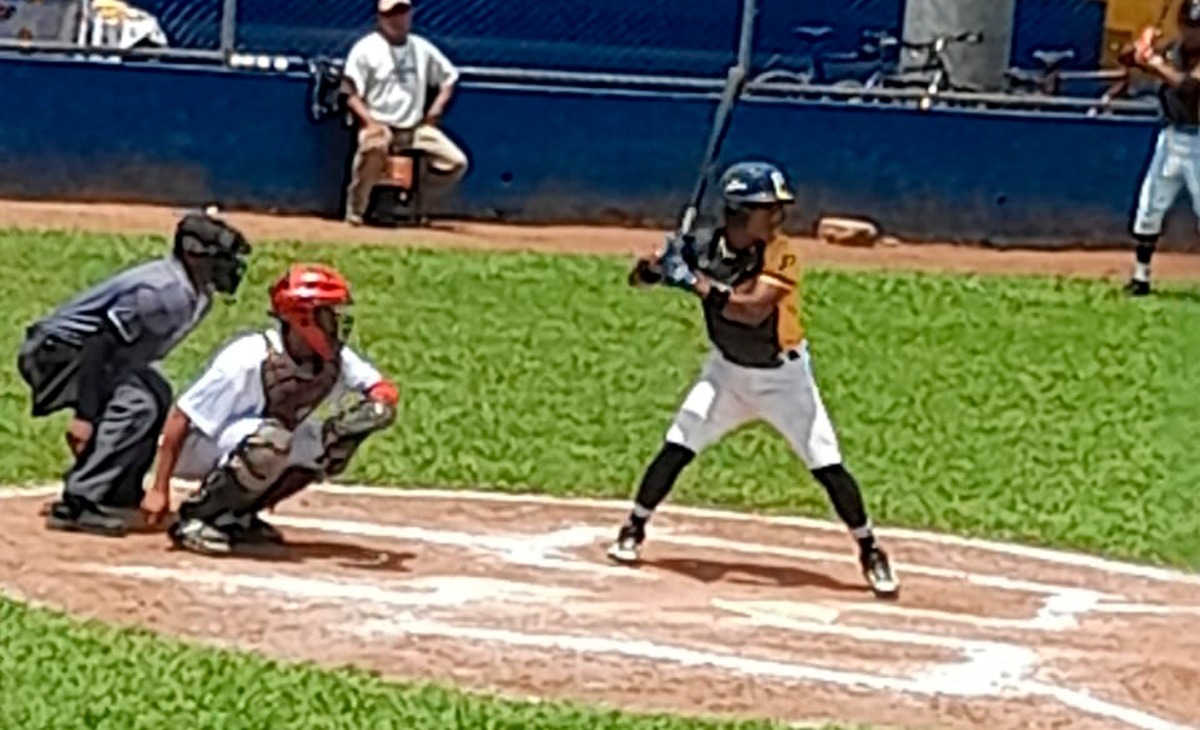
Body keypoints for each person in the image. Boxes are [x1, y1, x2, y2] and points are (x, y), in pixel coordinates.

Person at [607, 161, 900, 599]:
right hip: (726, 373)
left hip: (785, 379)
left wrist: (692, 283)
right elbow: (638, 279)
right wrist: (657, 267)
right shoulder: (702, 247)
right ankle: (634, 527)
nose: (779, 217)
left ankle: (869, 549)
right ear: (741, 212)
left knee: (827, 463)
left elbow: (752, 309)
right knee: (678, 442)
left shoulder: (781, 253)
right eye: (769, 209)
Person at [17, 212, 251, 536]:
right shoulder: (161, 292)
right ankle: (78, 501)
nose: (228, 266)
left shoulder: (195, 293)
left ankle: (118, 490)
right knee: (137, 403)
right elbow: (99, 343)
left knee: (156, 391)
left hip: (96, 356)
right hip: (58, 353)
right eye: (220, 258)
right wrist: (86, 416)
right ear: (194, 254)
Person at [147, 263, 399, 555]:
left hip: (255, 441)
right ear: (303, 318)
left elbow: (381, 387)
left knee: (325, 445)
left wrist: (378, 409)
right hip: (199, 446)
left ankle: (237, 516)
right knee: (272, 440)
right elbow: (181, 416)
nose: (336, 321)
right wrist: (159, 487)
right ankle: (197, 517)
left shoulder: (334, 356)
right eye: (327, 313)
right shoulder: (248, 357)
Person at [342, 0, 468, 225]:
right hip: (379, 123)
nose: (397, 19)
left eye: (402, 12)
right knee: (374, 147)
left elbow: (450, 77)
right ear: (380, 18)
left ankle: (416, 207)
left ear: (411, 14)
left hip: (414, 127)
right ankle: (356, 211)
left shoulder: (421, 48)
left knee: (456, 162)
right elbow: (349, 92)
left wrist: (435, 110)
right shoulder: (366, 49)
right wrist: (370, 122)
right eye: (391, 14)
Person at [1123, 0, 1200, 296]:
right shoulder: (1173, 49)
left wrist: (1154, 63)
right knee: (1150, 206)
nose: (1193, 34)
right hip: (1170, 137)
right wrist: (1141, 47)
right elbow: (1126, 60)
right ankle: (1140, 277)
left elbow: (1190, 88)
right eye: (1189, 26)